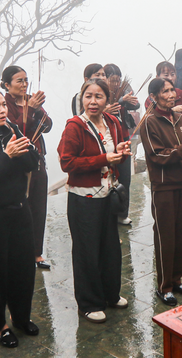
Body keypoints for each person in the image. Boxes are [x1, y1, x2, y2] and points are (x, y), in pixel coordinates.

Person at [58, 79, 131, 323]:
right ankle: (89, 303)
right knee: (87, 251)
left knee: (110, 248)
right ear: (81, 98)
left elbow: (115, 155)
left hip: (107, 194)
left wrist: (120, 151)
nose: (92, 101)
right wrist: (104, 158)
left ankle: (110, 294)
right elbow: (67, 163)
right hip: (84, 198)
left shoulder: (111, 121)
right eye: (88, 96)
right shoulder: (75, 126)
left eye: (99, 96)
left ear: (107, 100)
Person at [0, 88, 40, 348]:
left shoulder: (10, 130)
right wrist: (7, 156)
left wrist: (22, 152)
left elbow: (32, 162)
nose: (2, 110)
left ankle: (21, 317)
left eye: (3, 105)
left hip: (20, 209)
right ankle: (0, 325)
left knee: (24, 267)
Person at [140, 78, 182, 307]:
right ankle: (164, 286)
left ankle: (177, 280)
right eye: (165, 91)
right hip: (164, 187)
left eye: (172, 90)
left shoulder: (180, 118)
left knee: (181, 234)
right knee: (165, 236)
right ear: (154, 97)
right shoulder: (149, 122)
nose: (172, 95)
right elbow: (158, 156)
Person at [0, 66, 54, 271]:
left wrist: (36, 109)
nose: (24, 85)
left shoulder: (31, 100)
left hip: (37, 159)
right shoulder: (4, 104)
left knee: (39, 206)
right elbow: (14, 129)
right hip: (16, 162)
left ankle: (36, 253)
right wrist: (29, 109)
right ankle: (18, 252)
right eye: (19, 81)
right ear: (6, 85)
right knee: (21, 208)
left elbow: (47, 126)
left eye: (25, 80)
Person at [103, 63, 140, 226]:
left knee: (125, 178)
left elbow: (136, 104)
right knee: (108, 177)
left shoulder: (124, 87)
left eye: (118, 80)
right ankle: (108, 214)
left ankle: (123, 212)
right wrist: (119, 101)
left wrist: (126, 100)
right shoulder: (100, 92)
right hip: (107, 139)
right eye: (113, 80)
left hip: (124, 137)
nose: (116, 84)